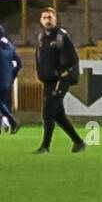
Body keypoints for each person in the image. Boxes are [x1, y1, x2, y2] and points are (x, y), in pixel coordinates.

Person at [34, 8, 85, 154]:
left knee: (48, 111)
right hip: (48, 80)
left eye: (50, 17)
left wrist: (66, 72)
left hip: (60, 80)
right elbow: (39, 58)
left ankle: (45, 146)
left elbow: (73, 58)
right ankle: (78, 142)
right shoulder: (41, 37)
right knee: (58, 115)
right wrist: (40, 74)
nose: (47, 20)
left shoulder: (61, 36)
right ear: (40, 20)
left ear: (56, 19)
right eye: (44, 17)